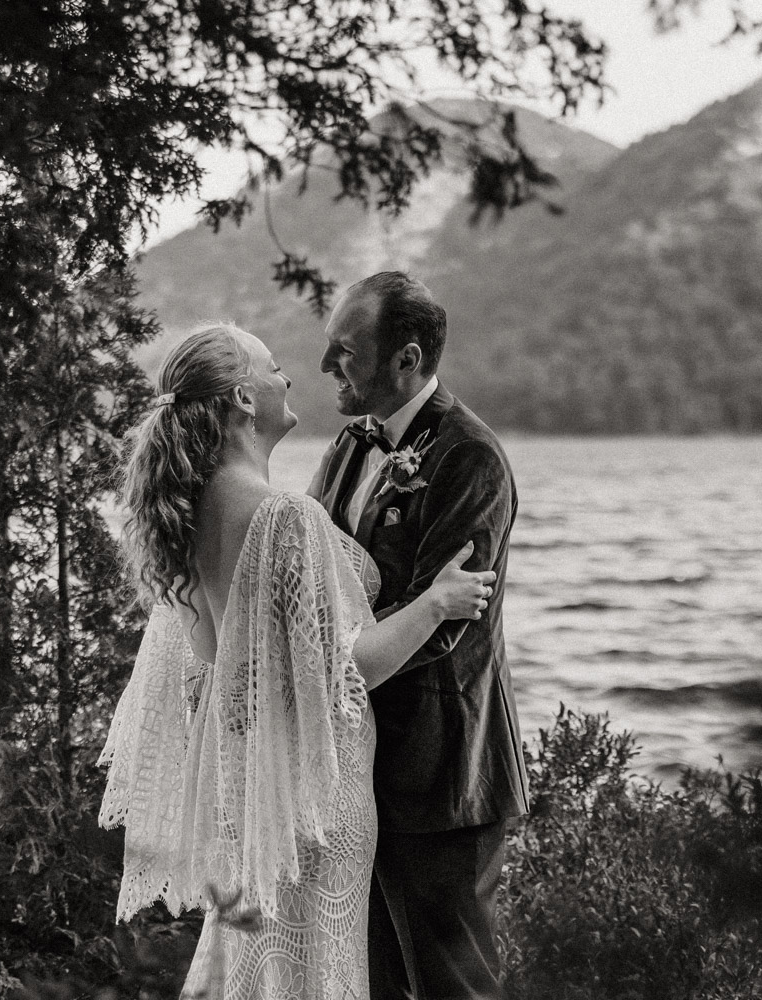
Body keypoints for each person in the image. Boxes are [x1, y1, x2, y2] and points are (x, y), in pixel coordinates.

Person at [98, 323, 496, 1000]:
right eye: (273, 368)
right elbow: (345, 673)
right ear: (245, 400)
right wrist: (437, 602)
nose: (287, 379)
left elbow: (221, 675)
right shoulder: (281, 515)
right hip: (312, 806)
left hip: (243, 798)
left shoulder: (187, 517)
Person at [307, 272, 528, 1000]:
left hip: (440, 777)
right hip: (356, 767)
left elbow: (444, 622)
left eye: (345, 350)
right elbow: (310, 566)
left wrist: (332, 669)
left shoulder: (470, 457)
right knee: (373, 980)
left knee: (453, 985)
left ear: (404, 359)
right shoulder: (348, 445)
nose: (324, 365)